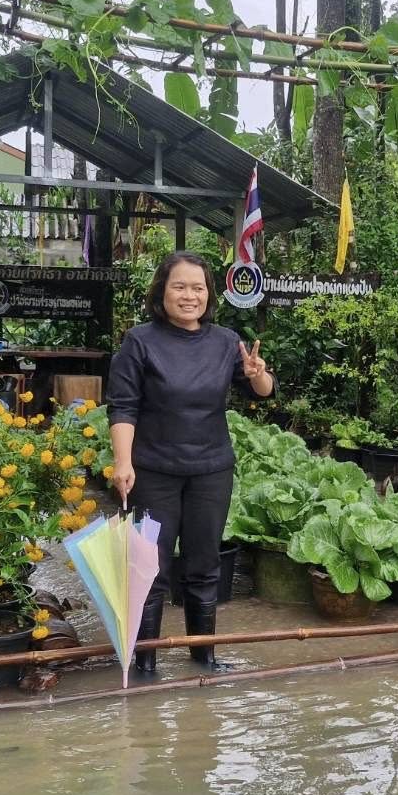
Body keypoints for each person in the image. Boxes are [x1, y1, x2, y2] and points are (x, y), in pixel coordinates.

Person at [105, 251, 275, 675]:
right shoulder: (139, 341)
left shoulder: (224, 341)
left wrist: (255, 372)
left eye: (197, 287)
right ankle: (144, 664)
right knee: (150, 567)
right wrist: (122, 462)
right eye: (179, 286)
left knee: (204, 564)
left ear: (209, 294)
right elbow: (122, 406)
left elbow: (264, 391)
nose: (189, 295)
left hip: (211, 470)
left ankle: (205, 657)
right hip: (155, 471)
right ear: (162, 291)